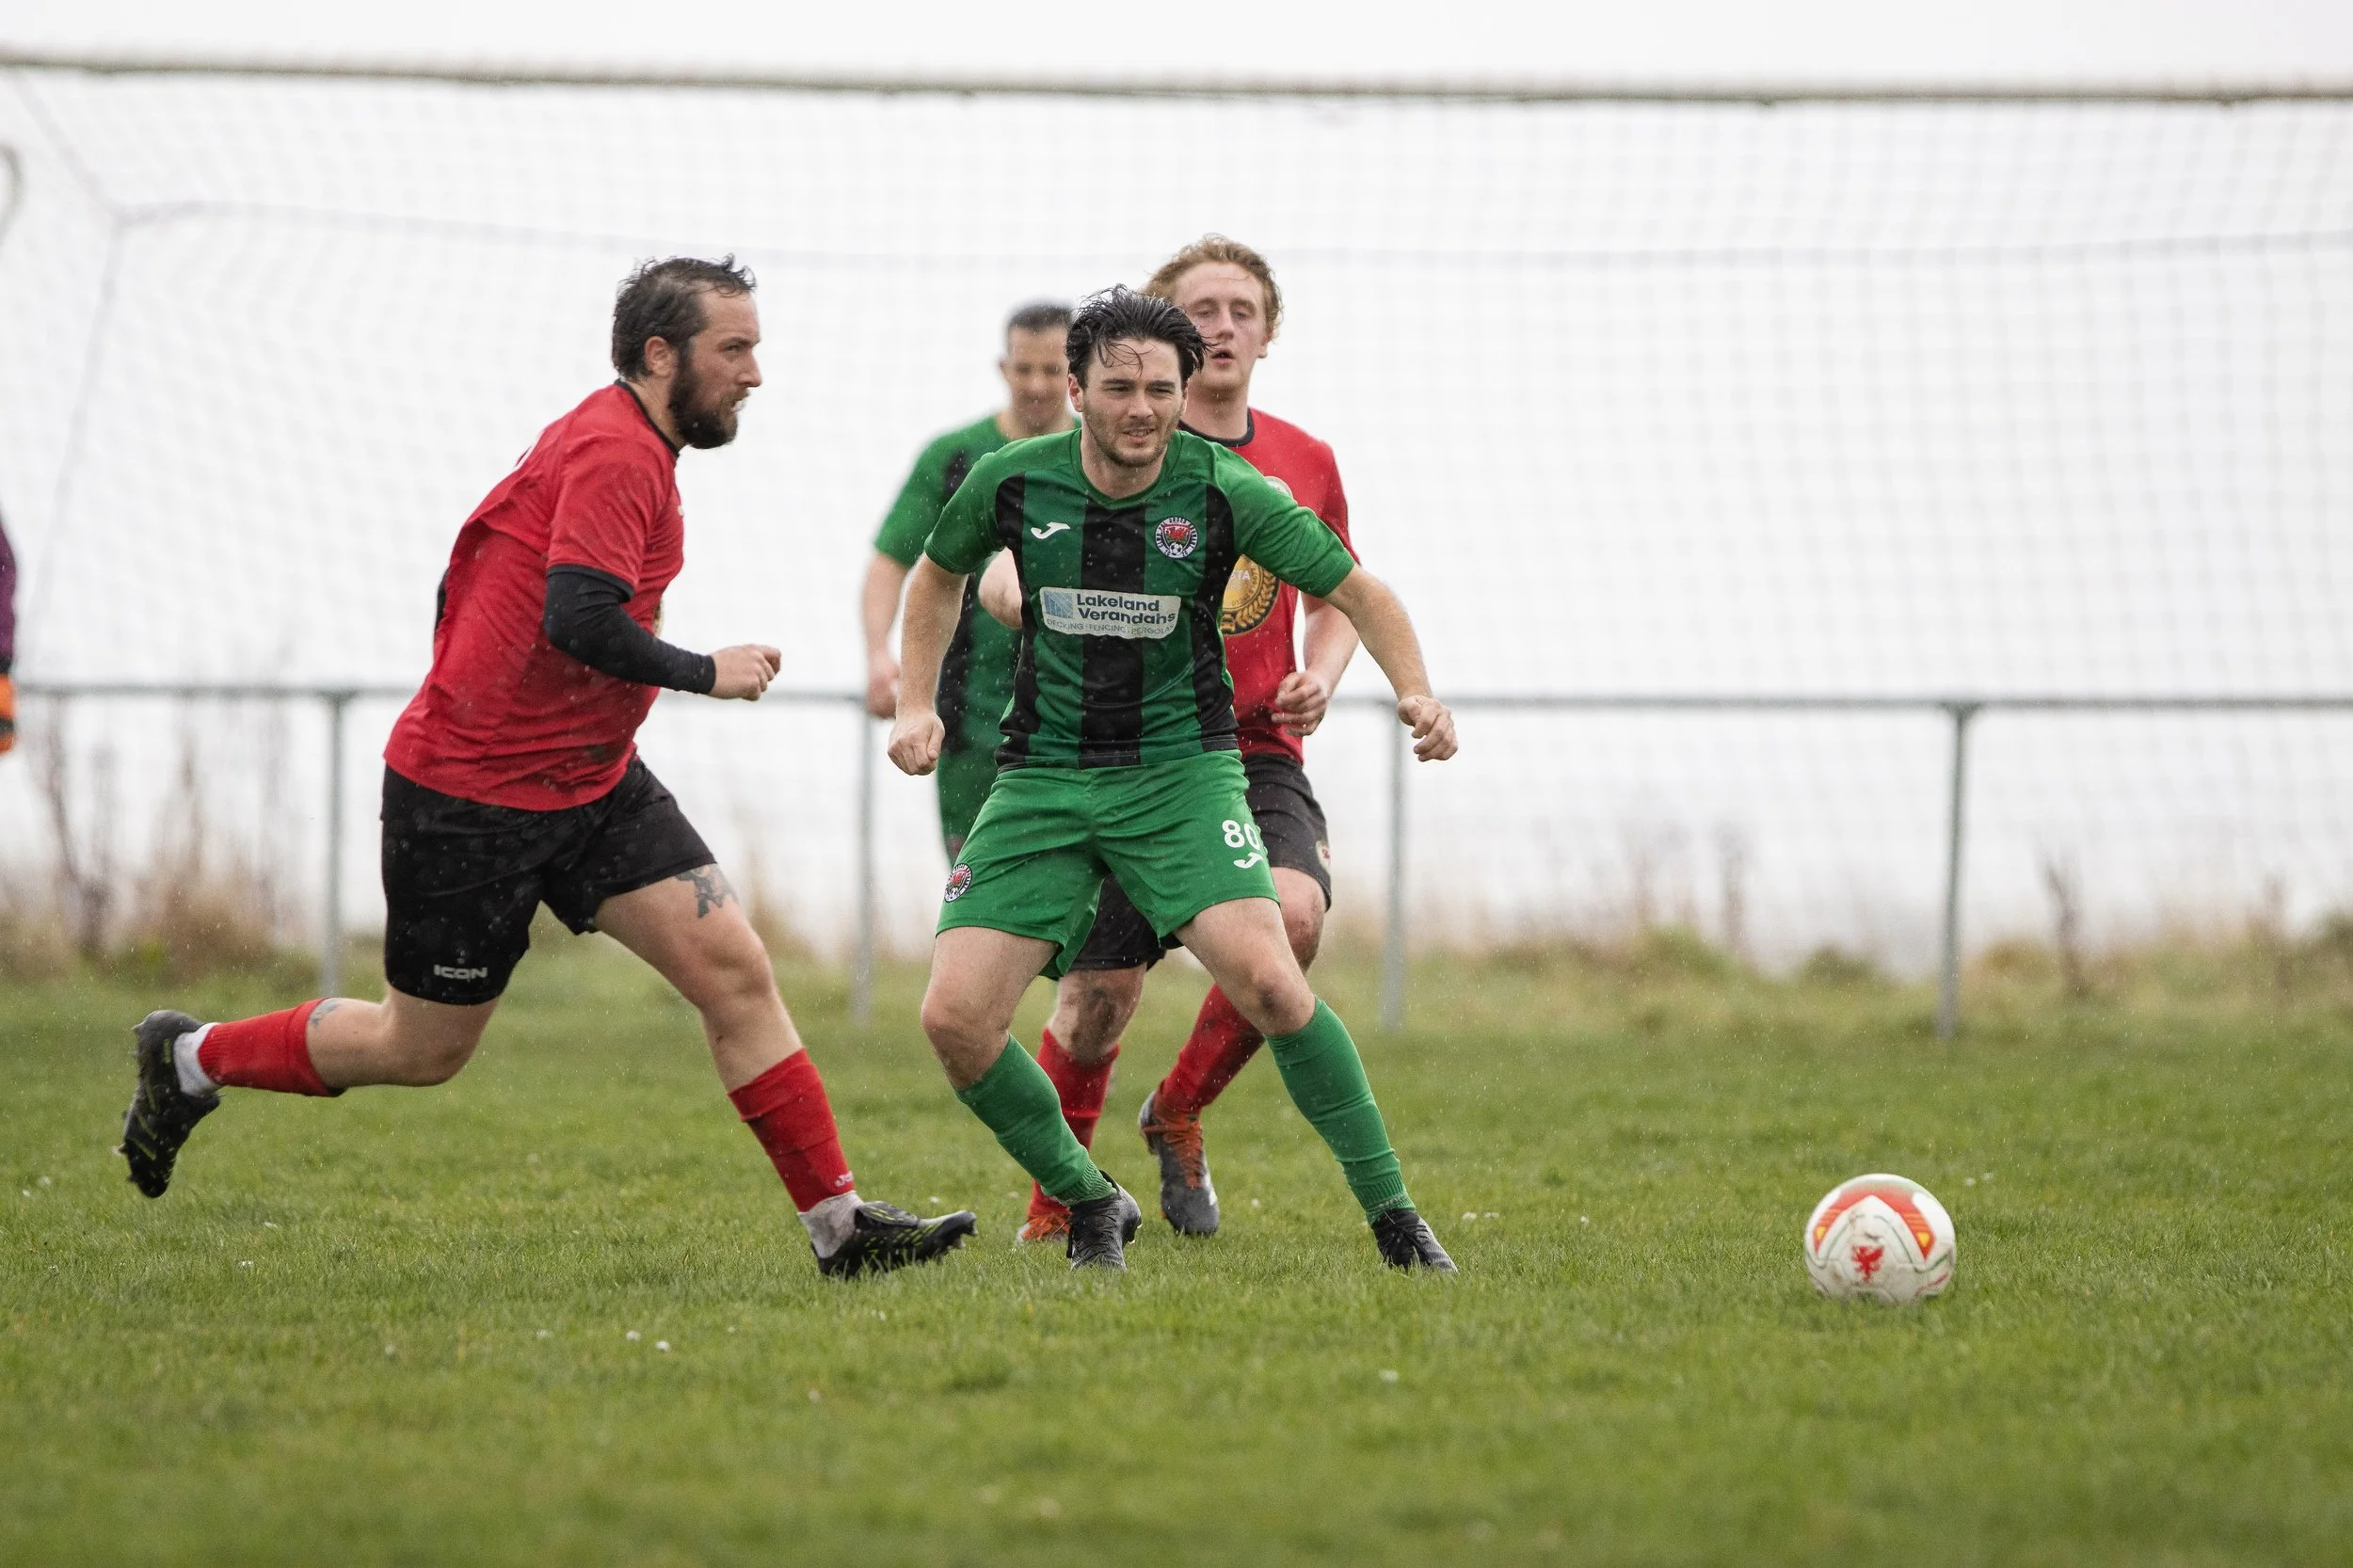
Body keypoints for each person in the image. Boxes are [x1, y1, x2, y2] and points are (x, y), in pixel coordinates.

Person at [116, 257, 977, 1279]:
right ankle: (191, 1057)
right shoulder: (617, 451)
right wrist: (705, 670)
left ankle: (841, 1230)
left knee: (736, 973)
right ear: (662, 354)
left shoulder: (628, 445)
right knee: (421, 1049)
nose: (755, 374)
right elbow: (575, 618)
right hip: (473, 800)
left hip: (593, 780)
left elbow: (498, 582)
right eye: (733, 350)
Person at [890, 286, 1459, 1272]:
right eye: (1118, 387)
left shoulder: (1226, 491)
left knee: (1275, 979)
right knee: (954, 1019)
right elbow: (936, 573)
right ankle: (1085, 1197)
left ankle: (1396, 1218)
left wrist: (1417, 692)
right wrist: (914, 700)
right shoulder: (1010, 480)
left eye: (1160, 388)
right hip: (1045, 780)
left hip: (1181, 779)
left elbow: (1355, 589)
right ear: (1074, 389)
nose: (1142, 408)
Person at [981, 237, 1359, 1243]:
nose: (1224, 324)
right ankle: (1058, 1208)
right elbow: (999, 554)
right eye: (1204, 308)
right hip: (1120, 753)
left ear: (1266, 332)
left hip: (1251, 752)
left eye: (1244, 307)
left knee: (1296, 921)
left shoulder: (1303, 460)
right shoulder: (1109, 445)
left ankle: (1179, 1110)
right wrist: (1010, 584)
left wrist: (1321, 671)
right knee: (1097, 997)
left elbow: (1340, 597)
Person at [860, 302, 1072, 857]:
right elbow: (889, 564)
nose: (1036, 384)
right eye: (1024, 369)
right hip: (969, 723)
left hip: (1079, 718)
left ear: (1075, 373)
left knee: (1096, 916)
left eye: (1051, 370)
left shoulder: (1107, 455)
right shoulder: (954, 457)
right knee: (977, 888)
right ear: (1003, 368)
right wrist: (879, 655)